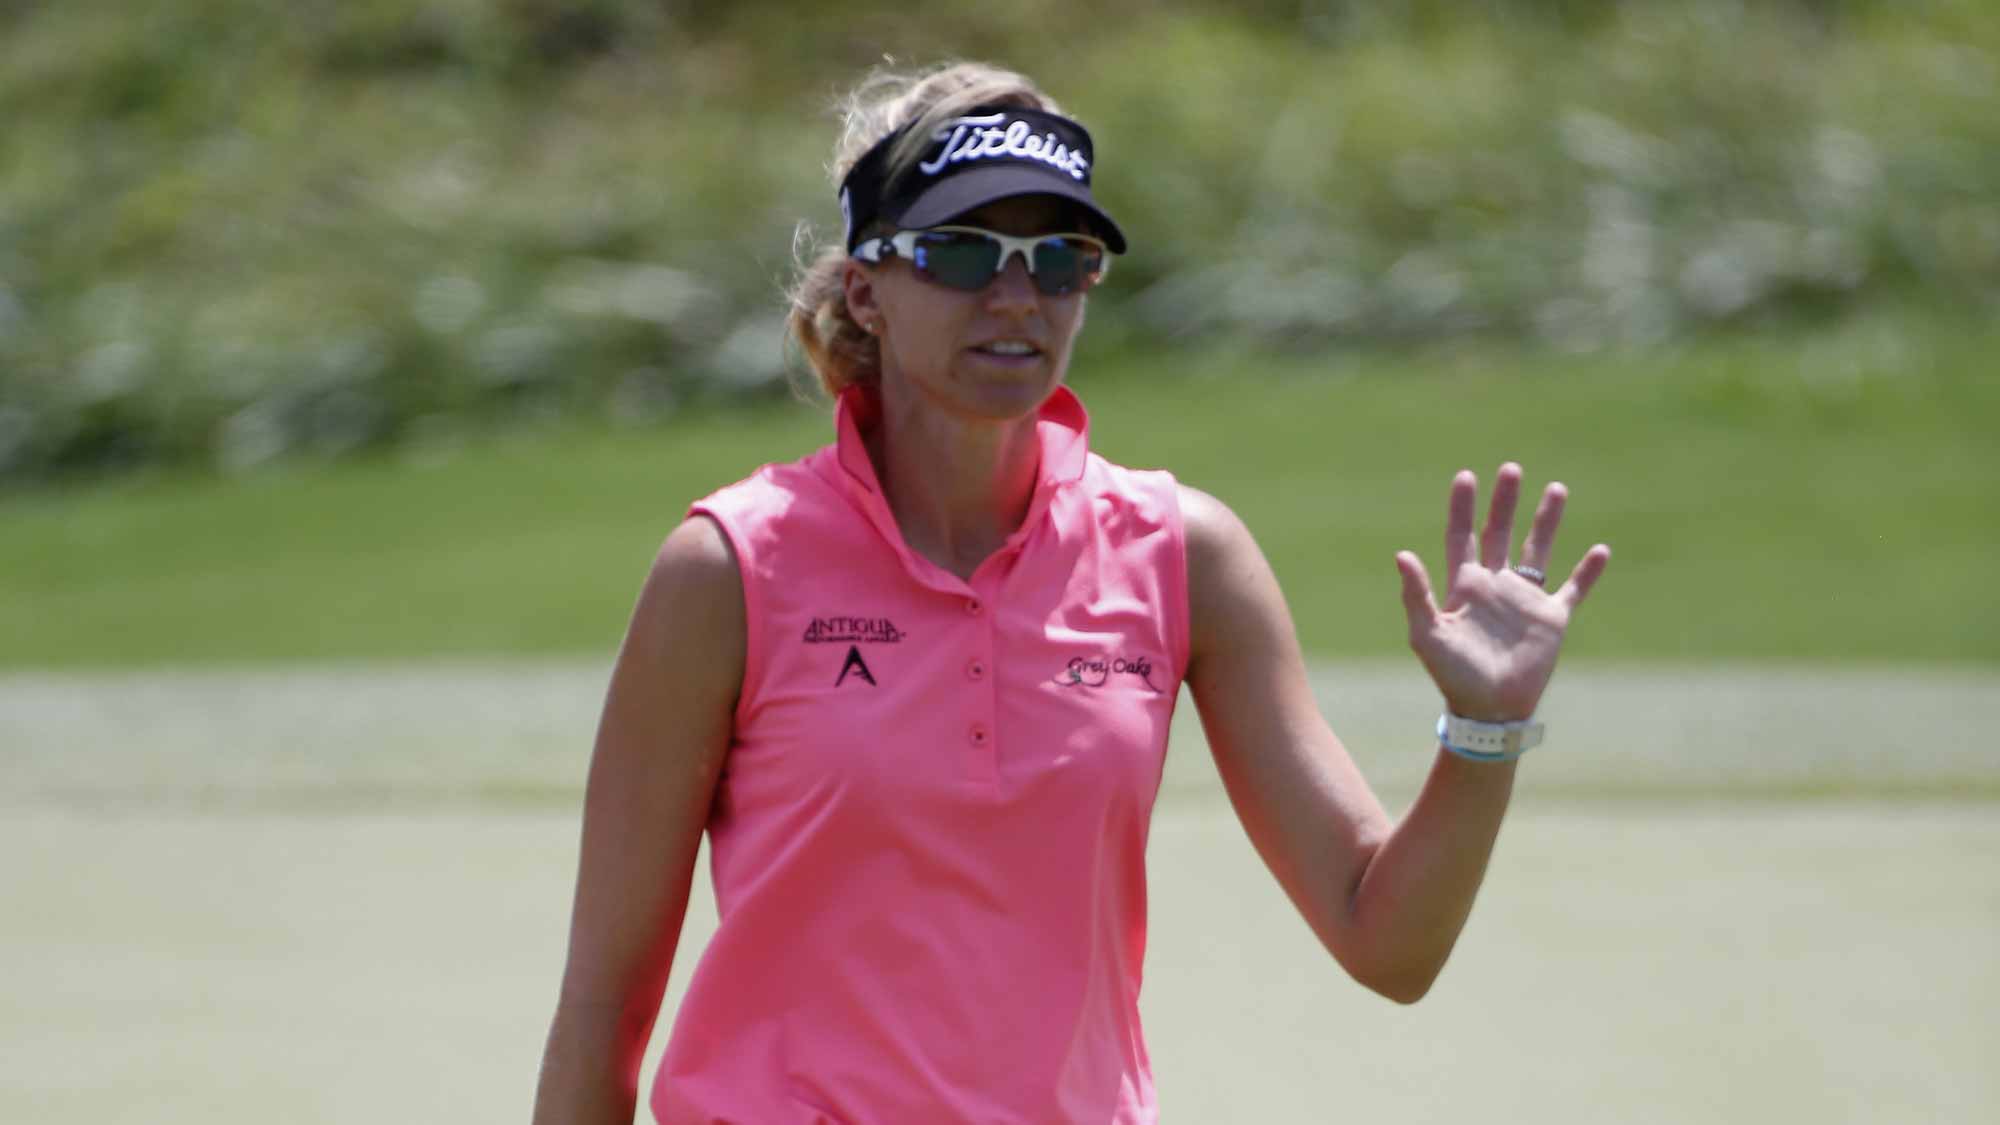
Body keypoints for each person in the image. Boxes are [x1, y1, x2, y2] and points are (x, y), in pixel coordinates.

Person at [532, 61, 1611, 1124]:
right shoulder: (730, 567)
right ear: (865, 286)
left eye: (1060, 259)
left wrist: (1482, 731)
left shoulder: (1181, 554)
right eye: (960, 255)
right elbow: (605, 1004)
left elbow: (1386, 942)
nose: (1015, 297)